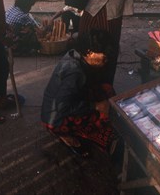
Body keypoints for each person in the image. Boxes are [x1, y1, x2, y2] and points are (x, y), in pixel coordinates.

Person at [41, 29, 116, 157]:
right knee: (104, 118)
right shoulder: (75, 73)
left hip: (61, 106)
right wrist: (95, 106)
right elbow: (62, 107)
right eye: (104, 57)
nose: (106, 60)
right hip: (55, 119)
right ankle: (66, 134)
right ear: (90, 53)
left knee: (106, 89)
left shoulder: (75, 54)